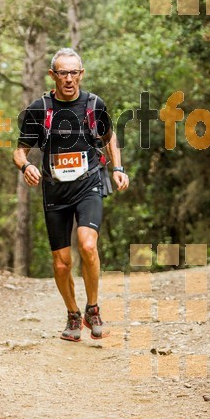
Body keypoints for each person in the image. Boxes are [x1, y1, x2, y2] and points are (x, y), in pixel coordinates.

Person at [13, 47, 129, 341]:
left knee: (88, 246)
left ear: (81, 74)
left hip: (89, 182)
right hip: (55, 190)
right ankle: (73, 314)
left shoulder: (94, 104)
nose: (69, 79)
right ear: (53, 75)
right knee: (62, 262)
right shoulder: (40, 109)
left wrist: (118, 168)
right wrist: (26, 165)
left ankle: (93, 307)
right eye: (62, 73)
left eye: (74, 72)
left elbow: (109, 137)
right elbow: (19, 151)